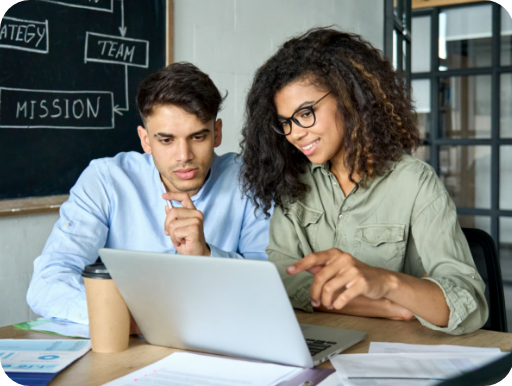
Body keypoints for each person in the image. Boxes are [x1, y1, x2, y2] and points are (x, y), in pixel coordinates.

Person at [239, 28, 488, 335]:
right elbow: (281, 281)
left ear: (348, 98)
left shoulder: (414, 183)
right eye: (285, 123)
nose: (295, 133)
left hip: (401, 354)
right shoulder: (293, 182)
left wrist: (385, 282)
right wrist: (387, 305)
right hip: (320, 344)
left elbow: (469, 305)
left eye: (305, 113)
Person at [27, 62, 271, 325]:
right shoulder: (106, 180)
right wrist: (128, 317)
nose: (184, 156)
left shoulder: (248, 179)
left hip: (223, 334)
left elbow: (268, 284)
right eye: (166, 140)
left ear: (217, 132)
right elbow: (48, 280)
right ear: (145, 140)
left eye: (198, 137)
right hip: (130, 340)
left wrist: (206, 256)